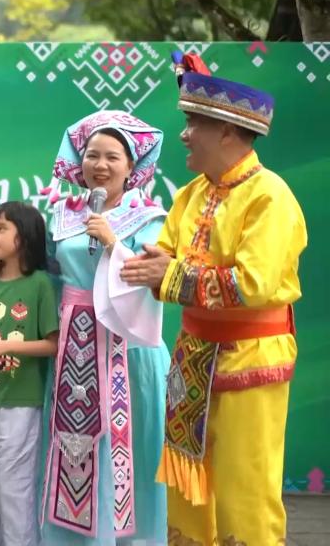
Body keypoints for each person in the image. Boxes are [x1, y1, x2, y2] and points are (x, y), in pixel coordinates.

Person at [121, 52, 307, 545]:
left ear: (226, 131)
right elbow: (162, 257)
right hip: (192, 361)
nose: (184, 135)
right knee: (187, 488)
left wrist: (168, 273)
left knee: (245, 488)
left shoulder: (269, 196)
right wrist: (135, 262)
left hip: (247, 358)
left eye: (193, 124)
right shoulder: (190, 195)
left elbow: (253, 284)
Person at [0, 110, 171, 544]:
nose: (100, 165)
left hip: (125, 351)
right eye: (92, 155)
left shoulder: (149, 218)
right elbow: (41, 269)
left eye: (112, 157)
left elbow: (153, 277)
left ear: (132, 166)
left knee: (125, 450)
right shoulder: (64, 213)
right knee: (71, 448)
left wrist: (114, 244)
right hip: (73, 349)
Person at [0, 201, 59, 546]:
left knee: (13, 482)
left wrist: (2, 347)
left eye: (2, 229)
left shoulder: (40, 285)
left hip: (21, 398)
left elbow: (53, 344)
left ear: (25, 236)